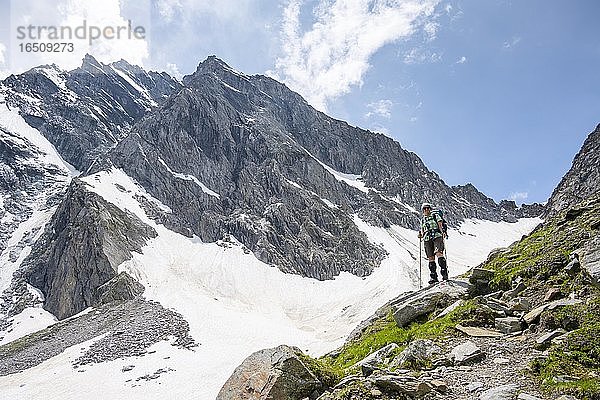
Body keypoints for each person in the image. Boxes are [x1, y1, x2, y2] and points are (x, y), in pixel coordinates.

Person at [418, 202, 448, 284]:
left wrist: (443, 232)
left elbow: (440, 224)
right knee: (430, 257)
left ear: (430, 209)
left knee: (439, 253)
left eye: (428, 208)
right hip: (427, 238)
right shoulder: (423, 219)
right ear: (422, 210)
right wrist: (421, 235)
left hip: (437, 236)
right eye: (424, 208)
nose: (426, 210)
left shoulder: (435, 215)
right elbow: (423, 230)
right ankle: (433, 277)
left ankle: (444, 274)